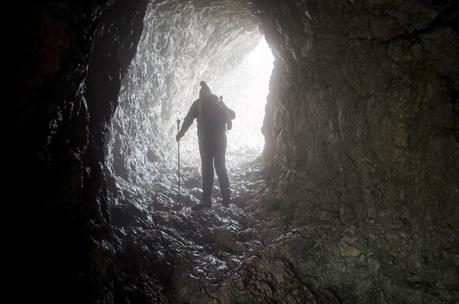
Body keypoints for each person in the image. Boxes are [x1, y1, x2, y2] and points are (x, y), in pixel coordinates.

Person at [176, 81, 235, 209]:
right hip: (220, 137)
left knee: (207, 167)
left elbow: (188, 120)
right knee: (220, 166)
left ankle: (206, 201)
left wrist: (180, 134)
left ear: (201, 94)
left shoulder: (198, 103)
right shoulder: (218, 101)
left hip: (205, 139)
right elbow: (233, 115)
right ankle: (226, 199)